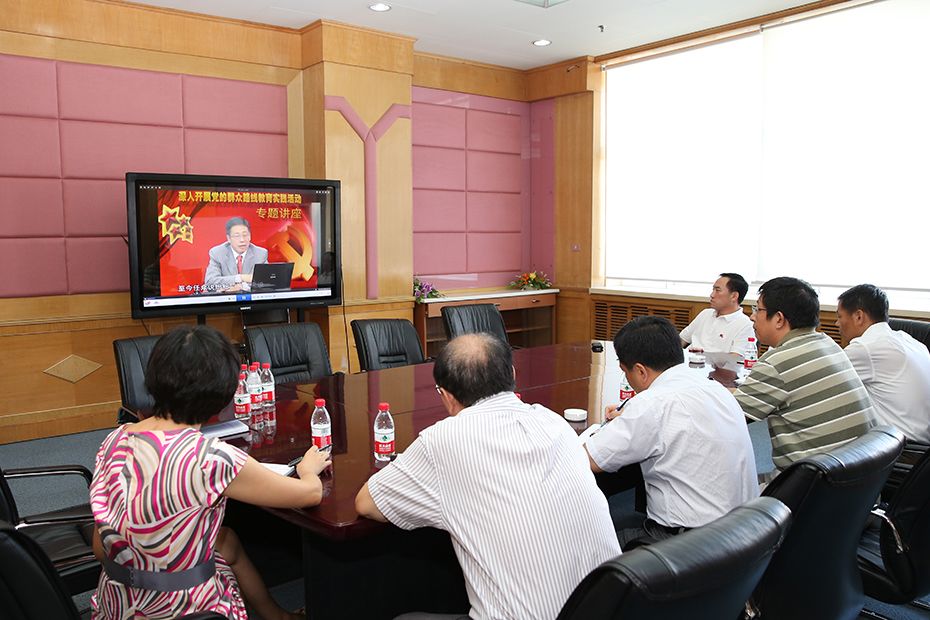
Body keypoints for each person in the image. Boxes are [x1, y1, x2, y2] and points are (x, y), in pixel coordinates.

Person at [354, 333, 620, 620]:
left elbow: (367, 503)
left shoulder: (444, 440)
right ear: (513, 375)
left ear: (446, 396)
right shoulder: (553, 421)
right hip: (615, 609)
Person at [90, 325, 329, 620]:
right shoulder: (209, 457)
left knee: (227, 541)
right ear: (223, 394)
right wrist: (308, 469)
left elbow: (99, 546)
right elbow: (310, 494)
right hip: (180, 609)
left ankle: (276, 616)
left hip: (116, 603)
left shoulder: (115, 438)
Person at [584, 316, 758, 547]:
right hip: (744, 534)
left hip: (689, 545)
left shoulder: (651, 405)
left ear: (640, 371)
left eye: (626, 372)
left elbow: (589, 459)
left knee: (585, 546)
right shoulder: (716, 389)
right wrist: (630, 418)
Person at [734, 276, 875, 471]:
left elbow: (729, 415)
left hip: (814, 482)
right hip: (857, 474)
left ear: (779, 319)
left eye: (758, 309)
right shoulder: (827, 343)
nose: (752, 316)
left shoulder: (777, 362)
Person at [836, 284, 930, 443]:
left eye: (839, 317)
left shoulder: (865, 347)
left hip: (901, 448)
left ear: (858, 316)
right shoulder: (910, 341)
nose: (837, 324)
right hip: (923, 446)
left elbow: (822, 378)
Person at [679, 272, 754, 353]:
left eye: (717, 290)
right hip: (687, 358)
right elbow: (681, 340)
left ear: (734, 296)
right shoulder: (705, 313)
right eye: (713, 290)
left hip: (710, 361)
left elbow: (736, 357)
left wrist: (703, 356)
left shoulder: (745, 325)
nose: (712, 295)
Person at [204, 217, 268, 293]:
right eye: (237, 236)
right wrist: (240, 278)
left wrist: (242, 287)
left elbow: (267, 282)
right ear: (229, 238)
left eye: (245, 235)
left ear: (250, 236)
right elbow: (210, 282)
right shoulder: (217, 253)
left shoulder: (260, 254)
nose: (242, 240)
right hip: (227, 299)